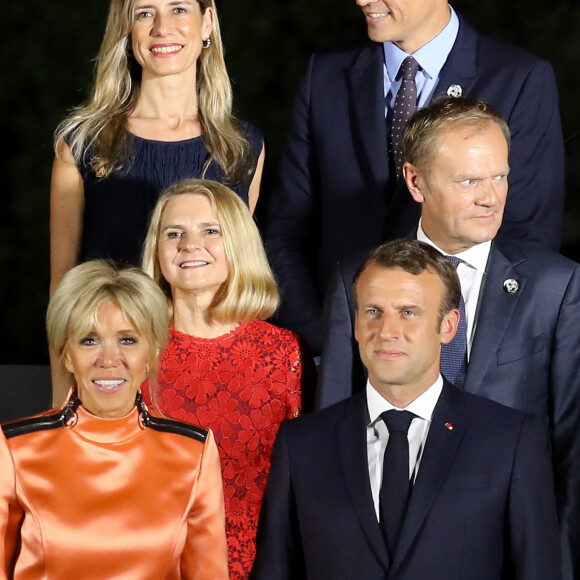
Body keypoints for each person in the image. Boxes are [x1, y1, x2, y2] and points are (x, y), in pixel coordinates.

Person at [317, 97, 580, 577]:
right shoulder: (356, 278)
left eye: (499, 176)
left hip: (505, 552)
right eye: (469, 182)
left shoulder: (554, 287)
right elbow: (334, 428)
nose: (491, 196)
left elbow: (570, 448)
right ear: (416, 182)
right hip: (382, 549)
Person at [265, 0, 564, 355]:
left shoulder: (518, 78)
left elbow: (528, 239)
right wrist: (322, 343)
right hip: (341, 356)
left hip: (460, 360)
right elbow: (287, 231)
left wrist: (464, 358)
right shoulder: (325, 75)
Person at [251, 239, 560, 579]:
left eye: (408, 313)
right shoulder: (302, 445)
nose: (386, 332)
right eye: (373, 312)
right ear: (355, 323)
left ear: (448, 327)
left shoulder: (510, 440)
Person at [0, 260, 229, 579]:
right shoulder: (14, 448)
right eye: (89, 340)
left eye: (127, 340)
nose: (109, 360)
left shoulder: (194, 451)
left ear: (152, 353)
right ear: (67, 354)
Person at [141, 178, 313, 579]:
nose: (189, 244)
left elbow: (308, 481)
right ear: (157, 250)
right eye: (174, 233)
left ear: (237, 244)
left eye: (210, 231)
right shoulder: (128, 349)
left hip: (262, 565)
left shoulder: (285, 353)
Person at [50, 0, 265, 293]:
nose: (162, 28)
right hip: (118, 336)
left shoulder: (241, 146)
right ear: (126, 30)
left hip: (213, 338)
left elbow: (240, 275)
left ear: (207, 22)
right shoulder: (85, 143)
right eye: (145, 13)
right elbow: (62, 289)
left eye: (179, 9)